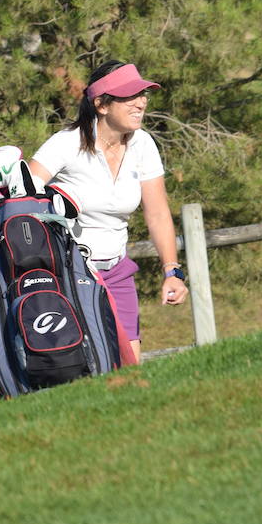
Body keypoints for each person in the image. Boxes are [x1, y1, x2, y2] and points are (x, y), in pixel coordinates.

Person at [25, 61, 188, 361]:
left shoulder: (143, 144)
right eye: (129, 96)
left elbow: (158, 213)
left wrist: (172, 271)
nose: (141, 102)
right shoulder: (66, 144)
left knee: (130, 367)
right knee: (80, 367)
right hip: (69, 275)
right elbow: (20, 196)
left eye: (143, 94)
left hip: (117, 273)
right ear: (101, 104)